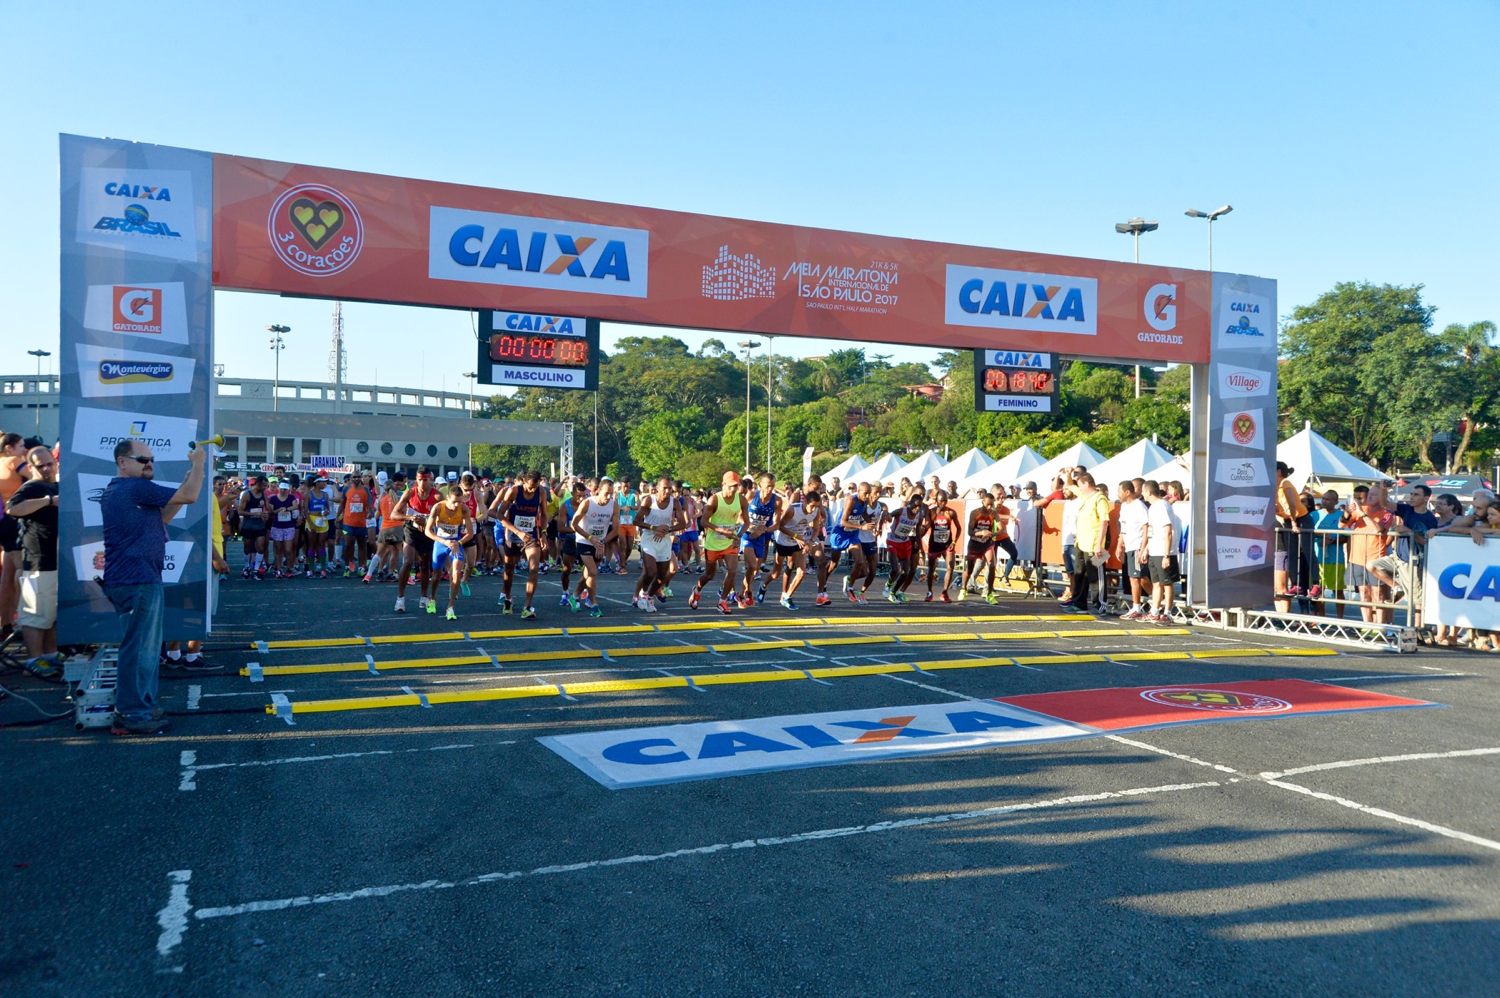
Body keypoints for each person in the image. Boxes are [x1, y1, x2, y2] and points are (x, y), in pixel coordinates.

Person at [101, 438, 207, 734]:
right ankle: (133, 712)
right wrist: (198, 463)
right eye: (142, 459)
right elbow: (191, 496)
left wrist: (185, 483)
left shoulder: (125, 491)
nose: (149, 464)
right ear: (123, 462)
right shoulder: (132, 487)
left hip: (138, 579)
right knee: (139, 651)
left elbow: (162, 518)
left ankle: (141, 706)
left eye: (151, 460)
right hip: (137, 580)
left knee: (145, 650)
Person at [6, 447, 61, 676]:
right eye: (41, 465)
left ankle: (49, 654)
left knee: (51, 612)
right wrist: (48, 501)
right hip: (38, 561)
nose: (47, 468)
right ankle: (33, 660)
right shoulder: (30, 488)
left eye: (49, 463)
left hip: (57, 560)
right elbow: (12, 508)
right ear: (31, 467)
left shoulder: (57, 485)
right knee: (36, 614)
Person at [492, 470, 548, 619]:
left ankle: (527, 606)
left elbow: (544, 514)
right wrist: (517, 532)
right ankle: (508, 598)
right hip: (514, 533)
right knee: (509, 569)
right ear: (523, 481)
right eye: (530, 487)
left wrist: (543, 532)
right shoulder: (514, 491)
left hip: (531, 534)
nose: (532, 490)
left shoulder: (541, 492)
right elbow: (499, 514)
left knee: (534, 568)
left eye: (535, 487)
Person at [690, 472, 747, 615]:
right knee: (710, 575)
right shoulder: (714, 500)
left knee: (733, 571)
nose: (733, 489)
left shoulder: (741, 500)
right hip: (713, 543)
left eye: (736, 486)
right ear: (723, 485)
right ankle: (697, 589)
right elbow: (703, 521)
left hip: (729, 542)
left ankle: (722, 601)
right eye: (731, 486)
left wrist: (738, 536)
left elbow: (746, 522)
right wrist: (721, 530)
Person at [393, 467, 441, 613]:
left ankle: (424, 597)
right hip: (411, 529)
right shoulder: (410, 492)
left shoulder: (437, 496)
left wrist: (427, 522)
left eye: (425, 480)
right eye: (419, 480)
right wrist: (411, 518)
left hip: (428, 531)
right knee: (407, 561)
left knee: (425, 564)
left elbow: (444, 519)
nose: (421, 483)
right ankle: (400, 598)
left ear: (430, 480)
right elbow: (394, 513)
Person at [633, 476, 685, 612]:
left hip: (665, 539)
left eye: (670, 489)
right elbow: (636, 520)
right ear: (657, 488)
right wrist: (654, 528)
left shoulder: (675, 503)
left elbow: (683, 523)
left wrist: (668, 529)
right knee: (651, 571)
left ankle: (650, 597)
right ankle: (643, 594)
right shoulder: (649, 500)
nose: (668, 491)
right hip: (649, 538)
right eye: (665, 488)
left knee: (662, 575)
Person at [569, 478, 619, 617]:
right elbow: (574, 524)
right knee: (592, 571)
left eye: (611, 493)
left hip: (600, 541)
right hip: (584, 540)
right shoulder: (587, 503)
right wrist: (591, 538)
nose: (609, 497)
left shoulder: (614, 505)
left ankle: (574, 595)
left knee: (589, 573)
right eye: (606, 493)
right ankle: (593, 603)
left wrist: (601, 542)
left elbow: (615, 530)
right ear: (598, 491)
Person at [425, 482, 474, 620]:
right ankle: (432, 598)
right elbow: (428, 531)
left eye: (459, 502)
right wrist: (445, 542)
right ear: (447, 498)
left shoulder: (464, 509)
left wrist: (458, 543)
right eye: (454, 502)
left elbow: (470, 533)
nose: (456, 505)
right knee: (436, 574)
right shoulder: (438, 507)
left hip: (456, 543)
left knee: (457, 573)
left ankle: (450, 607)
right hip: (441, 543)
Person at [770, 489, 823, 610]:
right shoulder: (793, 509)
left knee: (801, 572)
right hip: (783, 540)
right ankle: (763, 586)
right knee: (776, 573)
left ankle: (787, 597)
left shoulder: (816, 512)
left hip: (798, 543)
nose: (814, 509)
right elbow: (780, 526)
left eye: (817, 506)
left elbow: (816, 529)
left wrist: (810, 542)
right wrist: (795, 536)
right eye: (812, 506)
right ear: (805, 503)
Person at [0, 432, 31, 634]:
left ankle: (5, 623)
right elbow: (35, 475)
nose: (24, 450)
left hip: (3, 520)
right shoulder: (14, 460)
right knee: (22, 573)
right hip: (14, 519)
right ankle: (23, 620)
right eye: (21, 446)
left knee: (7, 575)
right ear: (9, 447)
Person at [1071, 472, 1113, 614]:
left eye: (1080, 485)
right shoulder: (1084, 496)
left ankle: (1100, 604)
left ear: (1086, 484)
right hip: (1081, 542)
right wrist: (1068, 474)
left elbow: (1104, 522)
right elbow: (1069, 486)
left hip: (1094, 543)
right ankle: (1079, 603)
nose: (1079, 488)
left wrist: (1099, 544)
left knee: (1096, 576)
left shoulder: (1100, 498)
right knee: (1080, 574)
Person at [740, 472, 781, 608]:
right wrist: (750, 526)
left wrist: (764, 529)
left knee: (755, 569)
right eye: (768, 486)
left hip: (761, 537)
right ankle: (745, 593)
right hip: (747, 535)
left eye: (773, 486)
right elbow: (739, 516)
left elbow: (777, 524)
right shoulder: (752, 495)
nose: (770, 489)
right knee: (751, 565)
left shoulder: (776, 501)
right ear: (760, 485)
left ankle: (743, 590)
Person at [1143, 481, 1179, 623]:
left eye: (1144, 492)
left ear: (1149, 492)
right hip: (1154, 550)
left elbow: (1168, 531)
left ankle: (1168, 613)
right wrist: (1146, 548)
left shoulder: (1163, 506)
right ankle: (1155, 611)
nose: (1143, 494)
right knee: (1157, 583)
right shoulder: (1153, 507)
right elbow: (1153, 531)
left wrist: (1166, 555)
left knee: (1167, 583)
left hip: (1164, 552)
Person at [1117, 481, 1152, 620]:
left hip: (1138, 545)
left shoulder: (1140, 506)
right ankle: (1137, 606)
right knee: (1133, 578)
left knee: (1141, 579)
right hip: (1129, 546)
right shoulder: (1124, 507)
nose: (1117, 494)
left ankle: (1156, 603)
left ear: (1127, 492)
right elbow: (1123, 528)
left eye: (1119, 491)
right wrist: (1119, 545)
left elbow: (1146, 527)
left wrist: (1143, 548)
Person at [923, 492, 960, 602]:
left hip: (947, 545)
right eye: (941, 501)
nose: (943, 503)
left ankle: (945, 593)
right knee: (931, 569)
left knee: (950, 566)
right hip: (934, 545)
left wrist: (954, 542)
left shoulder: (951, 512)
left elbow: (959, 528)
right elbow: (926, 527)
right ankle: (929, 592)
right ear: (937, 501)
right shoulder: (932, 512)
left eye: (945, 501)